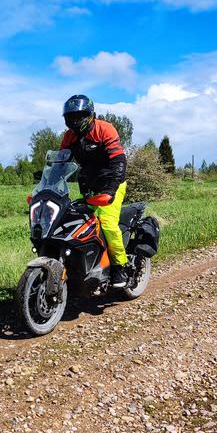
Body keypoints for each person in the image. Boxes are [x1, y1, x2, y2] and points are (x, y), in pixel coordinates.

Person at [59, 94, 128, 288]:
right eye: (71, 116)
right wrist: (50, 175)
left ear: (90, 115)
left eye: (79, 115)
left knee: (106, 223)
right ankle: (85, 265)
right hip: (89, 184)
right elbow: (61, 162)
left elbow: (118, 161)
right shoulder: (69, 137)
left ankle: (119, 267)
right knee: (81, 224)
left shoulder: (105, 129)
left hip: (112, 183)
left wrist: (111, 189)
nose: (75, 120)